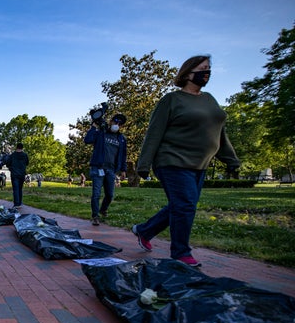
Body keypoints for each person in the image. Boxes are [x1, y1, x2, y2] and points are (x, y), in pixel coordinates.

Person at [133, 55, 240, 267]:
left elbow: (219, 134)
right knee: (186, 204)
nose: (206, 73)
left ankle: (145, 230)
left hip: (199, 164)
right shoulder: (171, 100)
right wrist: (143, 164)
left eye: (208, 69)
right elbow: (154, 133)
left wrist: (231, 160)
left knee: (181, 205)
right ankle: (180, 253)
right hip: (172, 160)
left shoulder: (209, 99)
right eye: (201, 69)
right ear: (187, 73)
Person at [84, 113, 128, 226]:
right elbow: (87, 140)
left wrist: (123, 170)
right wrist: (94, 126)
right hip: (98, 167)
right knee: (96, 194)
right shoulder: (101, 133)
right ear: (111, 122)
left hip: (111, 170)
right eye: (115, 122)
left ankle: (103, 209)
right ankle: (95, 216)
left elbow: (123, 155)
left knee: (110, 195)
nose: (117, 125)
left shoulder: (121, 139)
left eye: (119, 124)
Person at [5, 143, 29, 209]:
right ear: (22, 148)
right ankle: (20, 203)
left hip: (14, 174)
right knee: (20, 189)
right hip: (22, 174)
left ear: (16, 147)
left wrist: (11, 168)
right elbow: (27, 163)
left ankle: (16, 204)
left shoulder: (12, 155)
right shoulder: (25, 155)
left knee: (15, 189)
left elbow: (7, 163)